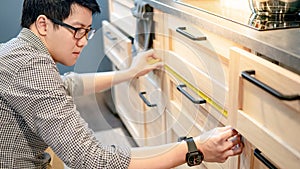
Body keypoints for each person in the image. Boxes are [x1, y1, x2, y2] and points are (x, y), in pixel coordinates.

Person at [0, 0, 243, 168]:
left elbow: (67, 86)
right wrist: (194, 149)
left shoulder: (20, 52)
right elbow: (91, 160)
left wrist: (129, 73)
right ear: (43, 24)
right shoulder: (31, 66)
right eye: (77, 30)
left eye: (87, 32)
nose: (83, 42)